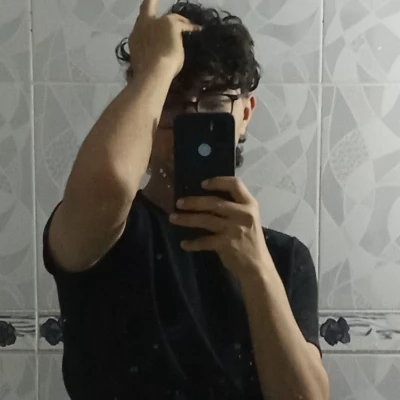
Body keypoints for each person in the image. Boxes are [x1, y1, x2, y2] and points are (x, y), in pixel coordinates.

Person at [42, 0, 329, 399]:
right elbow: (109, 181)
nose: (190, 121)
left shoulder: (284, 257)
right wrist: (157, 67)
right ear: (145, 110)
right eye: (171, 103)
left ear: (245, 113)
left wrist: (257, 270)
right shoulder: (104, 233)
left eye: (214, 102)